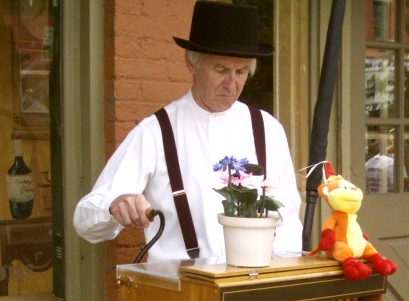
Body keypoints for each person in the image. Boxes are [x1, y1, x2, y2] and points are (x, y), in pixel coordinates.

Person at [73, 0, 303, 262]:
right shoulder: (156, 132)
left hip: (254, 284)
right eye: (221, 70)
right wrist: (113, 206)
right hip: (181, 285)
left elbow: (287, 223)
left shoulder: (267, 129)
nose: (232, 83)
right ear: (192, 64)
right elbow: (85, 221)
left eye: (241, 72)